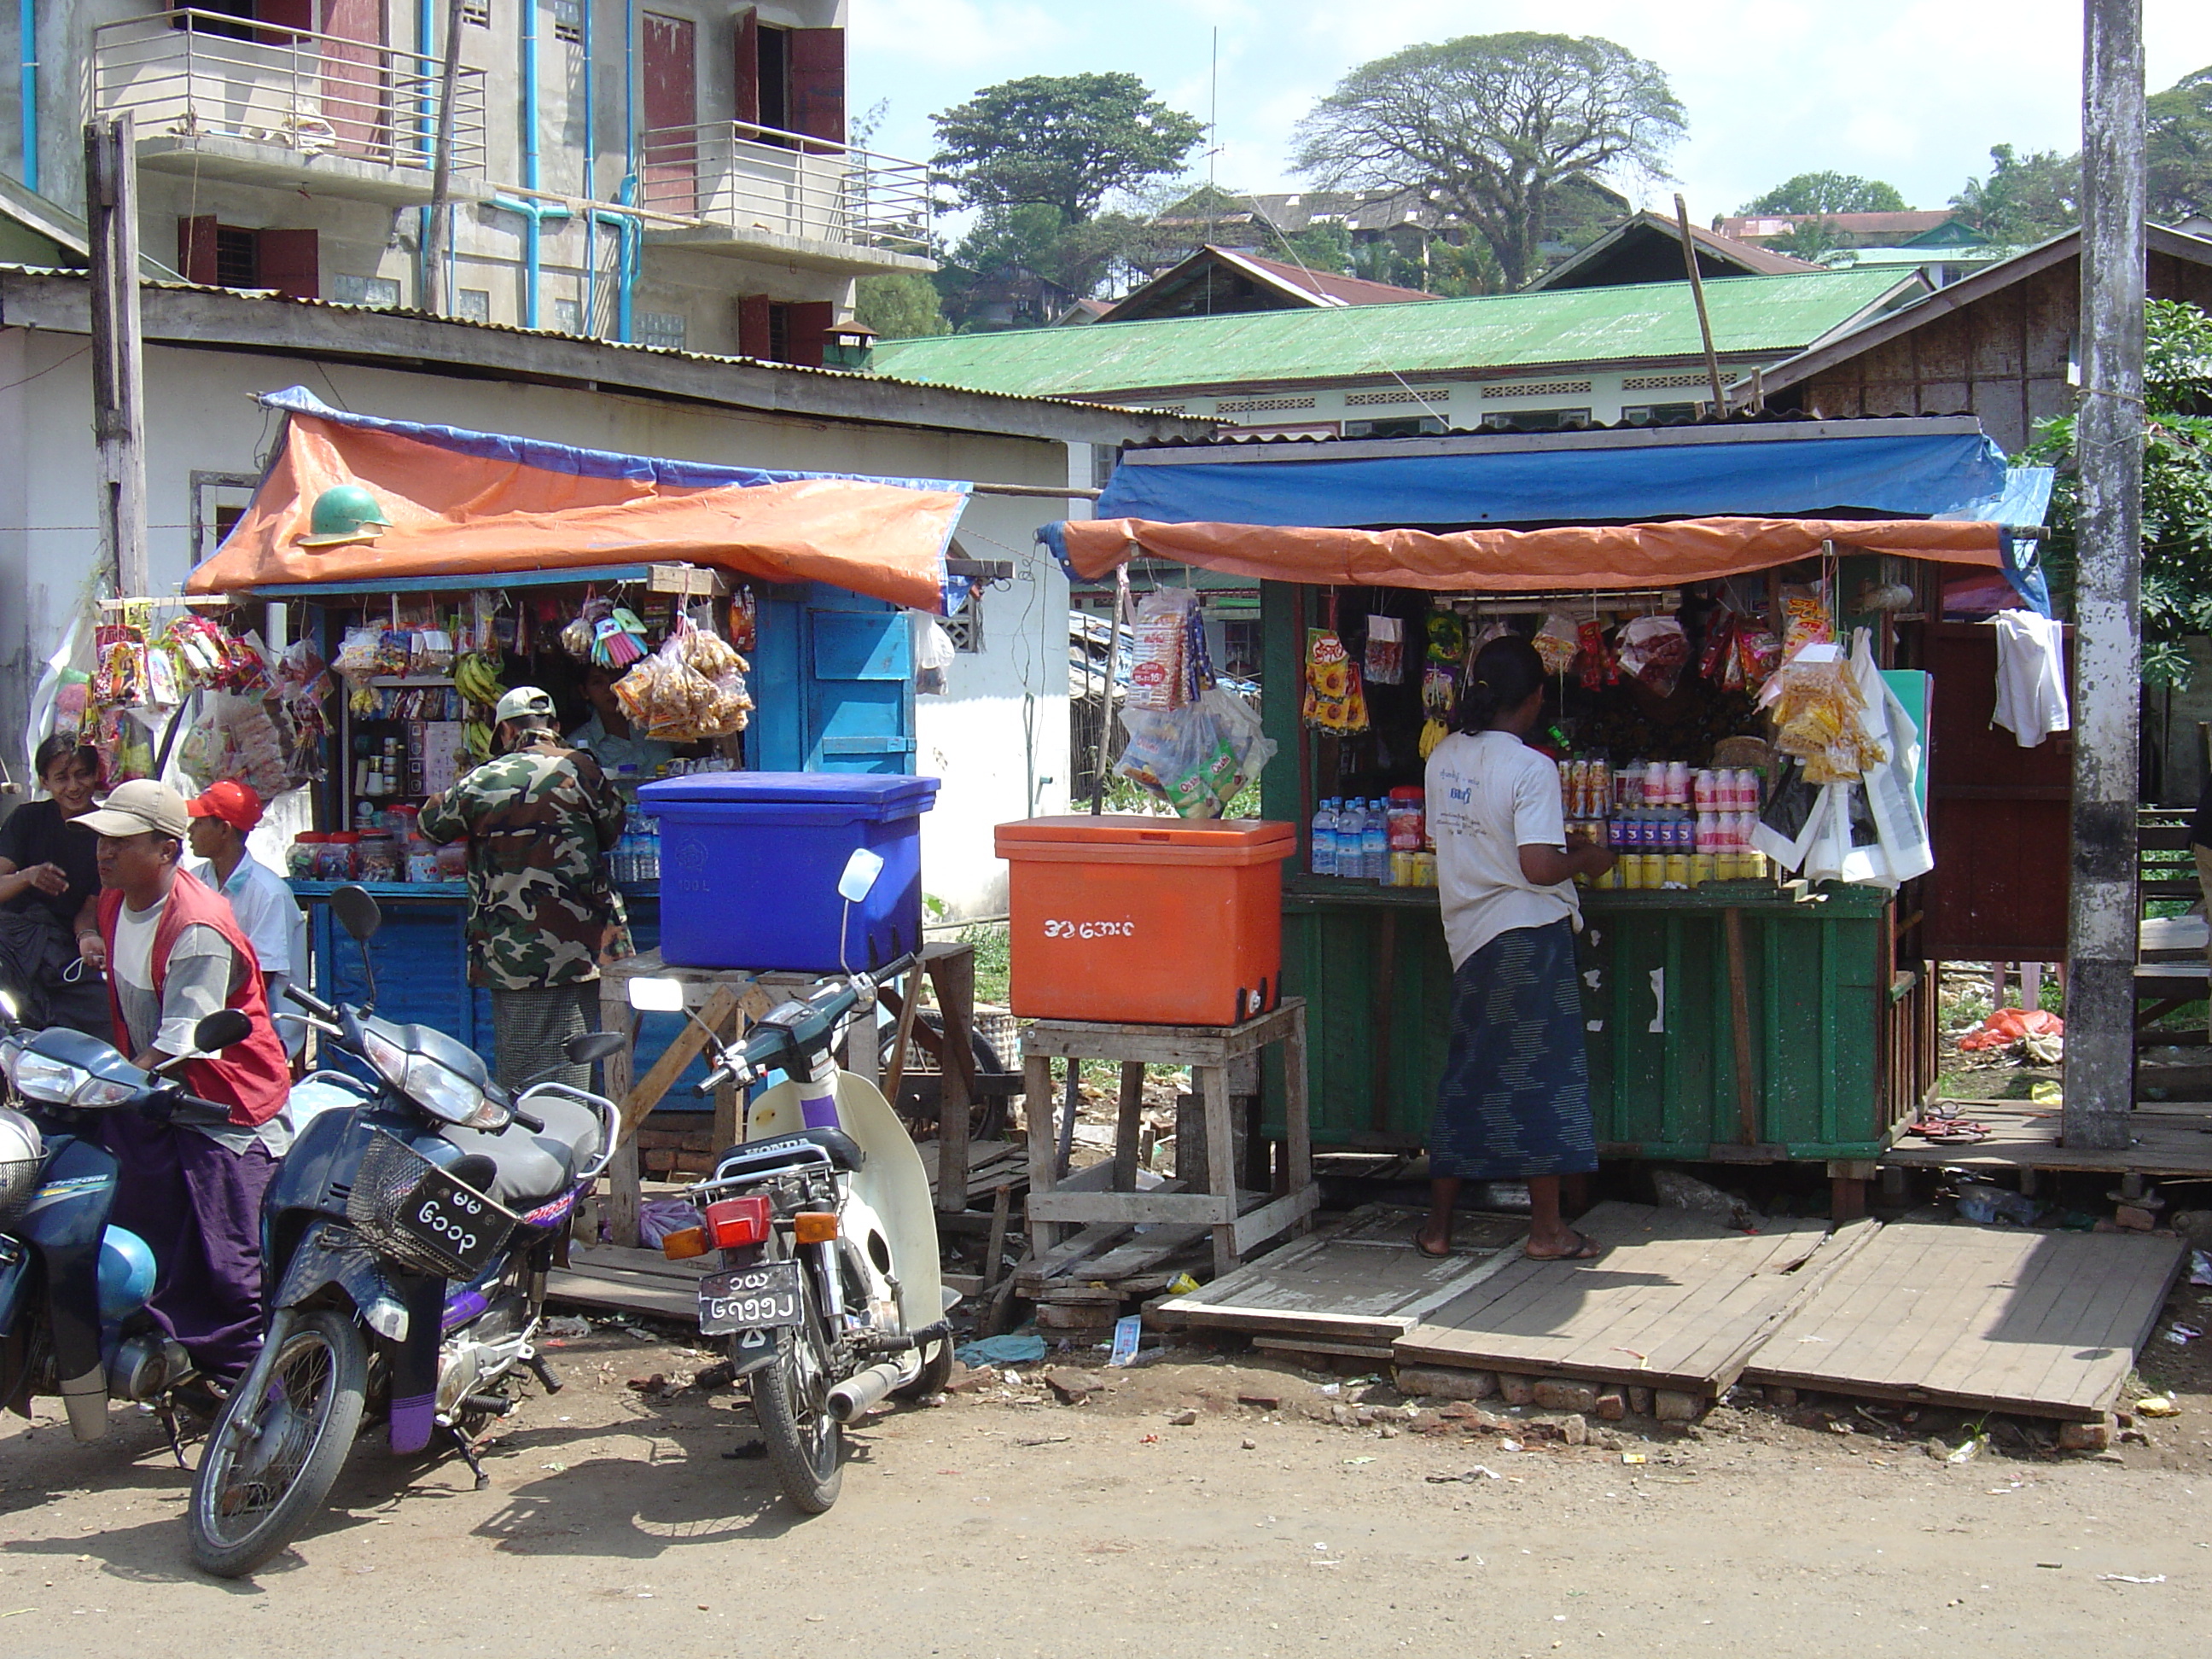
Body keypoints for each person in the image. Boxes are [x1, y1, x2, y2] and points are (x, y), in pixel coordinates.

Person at [80, 778, 293, 1386]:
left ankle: (256, 1387)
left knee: (226, 1263)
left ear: (168, 850)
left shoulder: (197, 924)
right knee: (144, 1234)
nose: (105, 851)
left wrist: (112, 1082)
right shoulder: (114, 902)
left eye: (121, 841)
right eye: (102, 839)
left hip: (219, 1104)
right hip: (153, 1099)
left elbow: (183, 1039)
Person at [1417, 636, 1615, 1263]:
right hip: (1528, 939)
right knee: (1543, 1081)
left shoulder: (1444, 756)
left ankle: (1439, 1228)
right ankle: (1548, 1231)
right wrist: (1588, 857)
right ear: (1534, 699)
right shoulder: (1532, 767)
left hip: (1469, 936)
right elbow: (1536, 866)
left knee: (1469, 1075)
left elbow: (1445, 841)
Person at [419, 686, 626, 1091]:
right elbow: (614, 830)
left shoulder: (483, 778)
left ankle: (534, 1139)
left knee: (524, 1064)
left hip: (515, 949)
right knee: (580, 1052)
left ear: (505, 731)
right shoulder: (582, 768)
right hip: (583, 945)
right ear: (555, 727)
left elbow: (431, 827)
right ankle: (581, 1137)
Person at [185, 779, 310, 1057]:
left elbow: (259, 980)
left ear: (224, 830)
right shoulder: (194, 880)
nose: (190, 830)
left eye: (200, 822)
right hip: (209, 1010)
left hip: (260, 1026)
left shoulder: (270, 894)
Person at [0, 736, 111, 1036]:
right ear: (44, 781)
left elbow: (91, 906)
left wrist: (87, 936)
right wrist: (27, 877)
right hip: (10, 944)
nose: (73, 787)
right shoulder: (27, 819)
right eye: (62, 778)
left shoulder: (109, 831)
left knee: (104, 1019)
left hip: (64, 952)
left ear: (95, 776)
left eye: (82, 775)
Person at [568, 661, 676, 781]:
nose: (611, 688)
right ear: (584, 692)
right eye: (598, 682)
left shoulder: (659, 724)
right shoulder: (578, 745)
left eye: (617, 679)